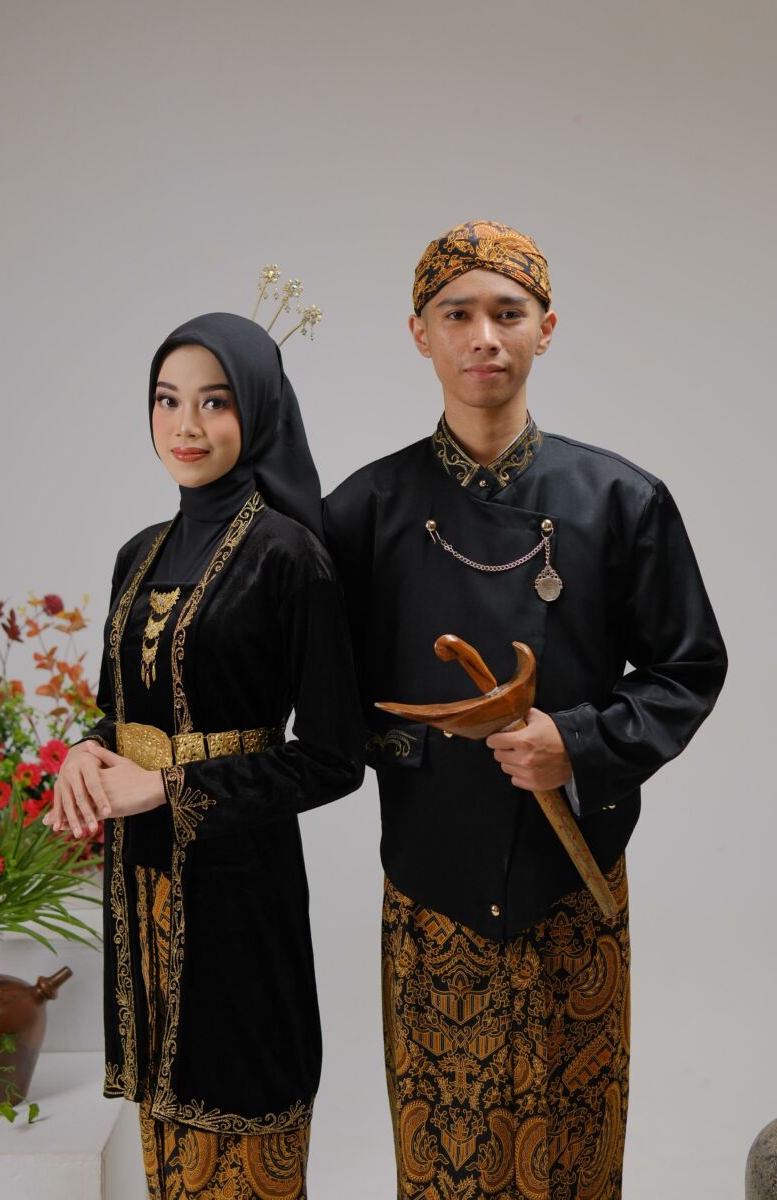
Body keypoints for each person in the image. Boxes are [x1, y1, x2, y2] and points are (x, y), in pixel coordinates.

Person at [323, 220, 727, 1200]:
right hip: (432, 880)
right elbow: (318, 691)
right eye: (455, 314)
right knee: (445, 1161)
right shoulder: (365, 509)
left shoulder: (619, 499)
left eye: (507, 313)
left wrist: (577, 742)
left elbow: (686, 666)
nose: (483, 338)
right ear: (419, 334)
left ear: (545, 328)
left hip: (573, 875)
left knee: (574, 1154)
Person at [45, 313, 364, 1200]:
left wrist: (169, 787)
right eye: (167, 400)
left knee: (241, 1110)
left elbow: (334, 758)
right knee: (165, 1130)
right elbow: (118, 711)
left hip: (239, 890)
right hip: (139, 883)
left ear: (256, 411)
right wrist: (83, 751)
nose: (186, 426)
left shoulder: (291, 558)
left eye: (215, 402)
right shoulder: (136, 555)